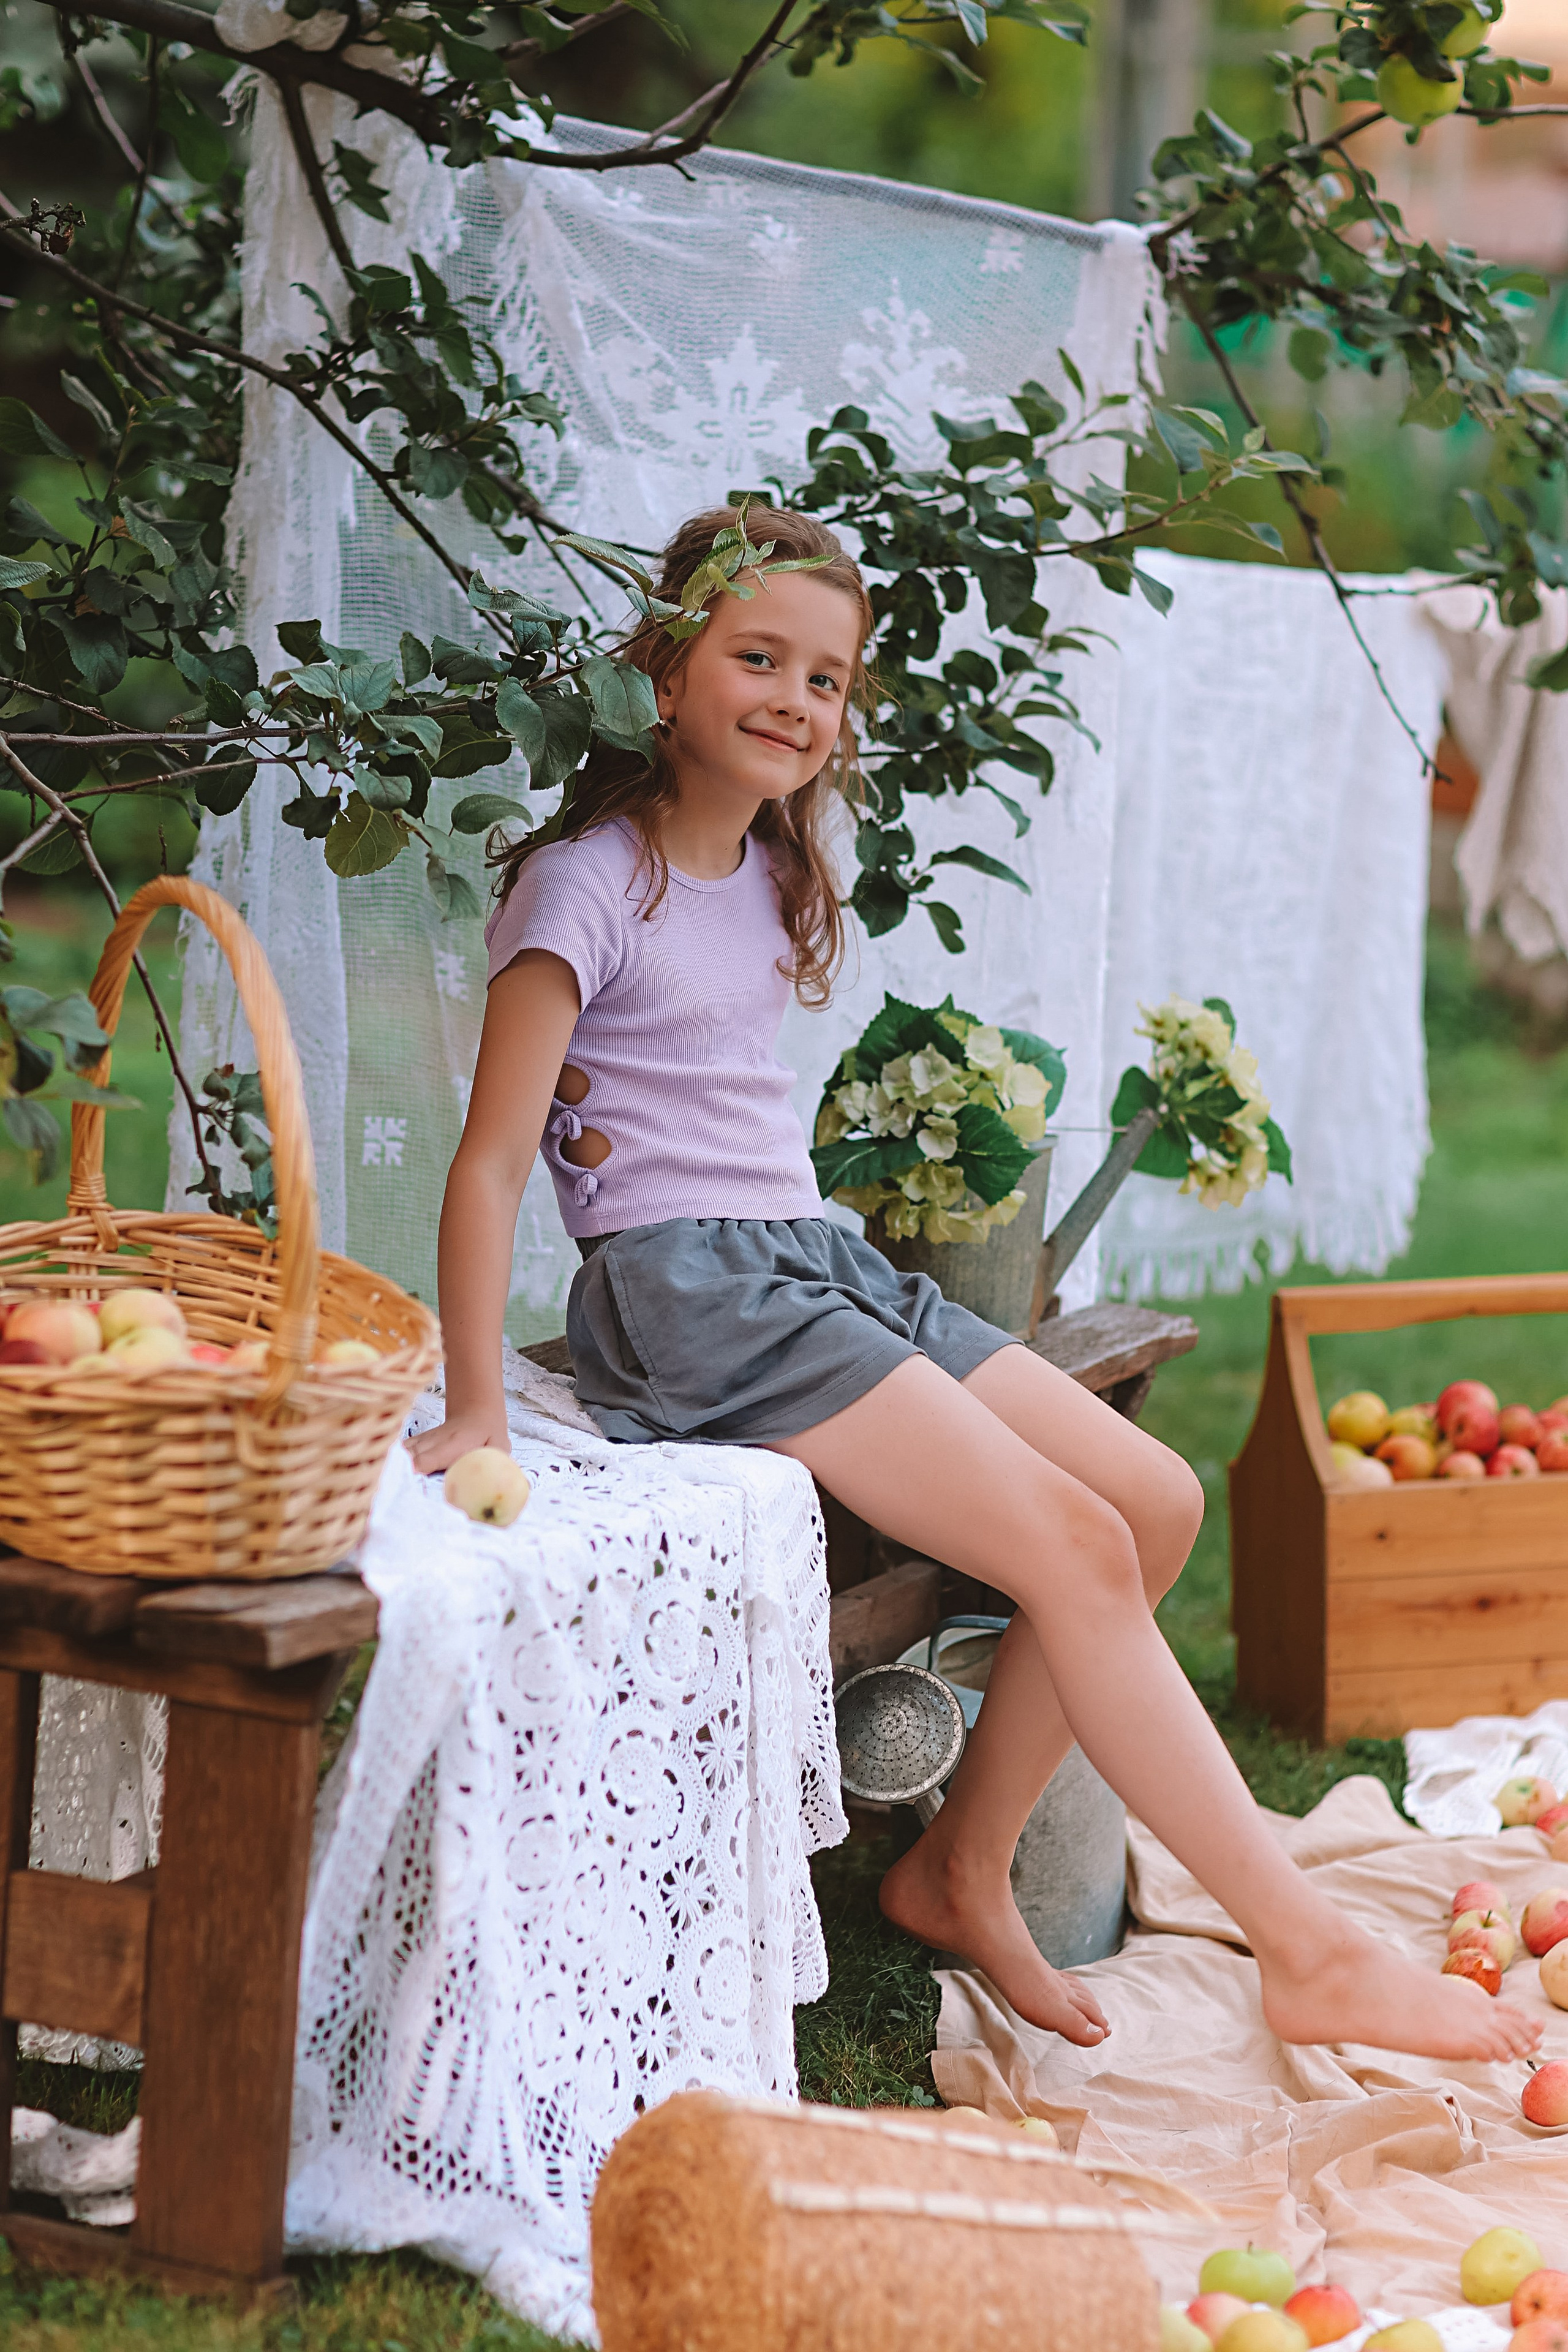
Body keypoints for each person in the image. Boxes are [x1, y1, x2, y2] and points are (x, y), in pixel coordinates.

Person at [410, 506, 1539, 2066]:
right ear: (665, 666)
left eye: (828, 677)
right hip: (691, 1295)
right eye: (758, 658)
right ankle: (1309, 1946)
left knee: (1151, 1503)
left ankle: (959, 1867)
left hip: (814, 1262)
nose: (799, 701)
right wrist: (479, 1406)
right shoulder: (584, 886)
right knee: (1073, 1539)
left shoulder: (762, 874)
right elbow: (486, 1166)